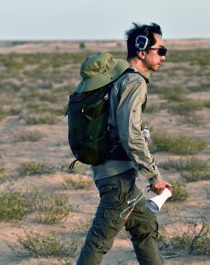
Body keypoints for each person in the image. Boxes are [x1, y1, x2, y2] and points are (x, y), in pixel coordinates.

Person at [77, 22, 171, 265]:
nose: (163, 56)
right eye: (160, 50)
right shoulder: (134, 82)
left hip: (115, 173)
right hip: (117, 178)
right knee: (99, 240)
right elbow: (130, 135)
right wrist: (154, 176)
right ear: (142, 51)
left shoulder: (122, 78)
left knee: (145, 226)